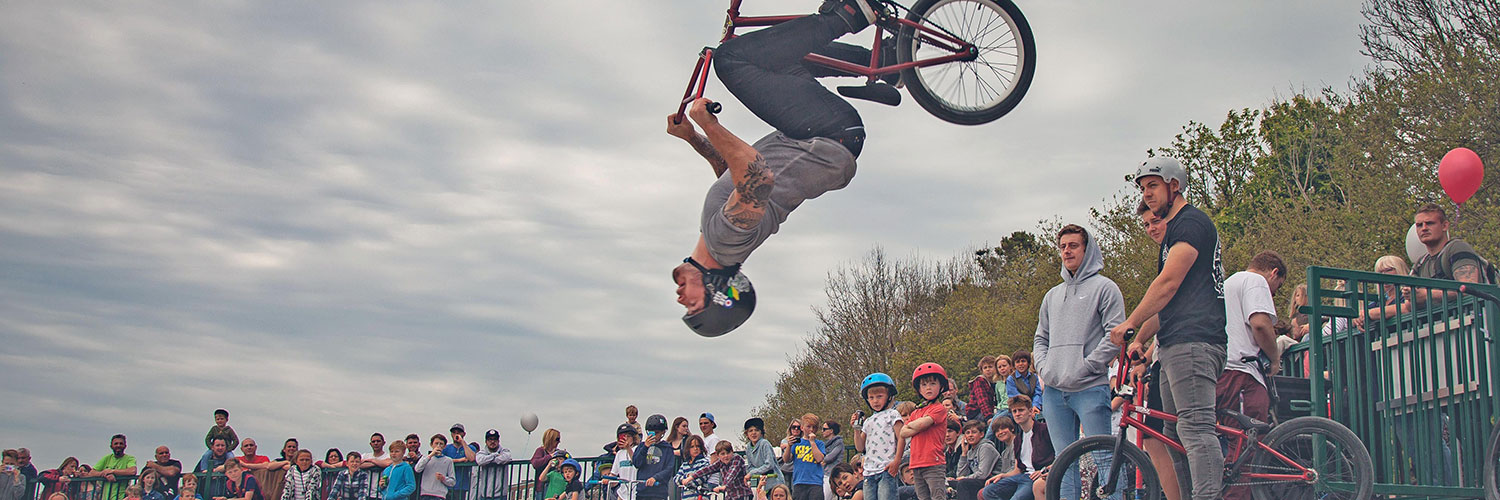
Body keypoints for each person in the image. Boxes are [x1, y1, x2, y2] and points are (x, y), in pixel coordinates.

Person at [666, 0, 891, 337]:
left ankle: (884, 62)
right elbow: (757, 176)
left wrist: (693, 138)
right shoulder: (724, 243)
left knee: (772, 55)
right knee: (732, 60)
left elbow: (732, 174)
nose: (681, 297)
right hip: (826, 135)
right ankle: (852, 15)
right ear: (717, 294)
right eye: (693, 304)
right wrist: (708, 123)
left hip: (825, 134)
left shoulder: (720, 239)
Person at [1109, 156, 1228, 500]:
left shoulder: (1190, 225)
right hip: (1176, 344)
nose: (1147, 194)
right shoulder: (1173, 235)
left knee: (1195, 429)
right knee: (1171, 433)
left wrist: (1130, 322)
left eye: (1153, 187)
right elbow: (1169, 303)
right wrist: (1140, 337)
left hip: (1195, 342)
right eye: (1143, 188)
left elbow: (1168, 283)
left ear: (1174, 186)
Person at [1033, 224, 1124, 500]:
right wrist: (1045, 369)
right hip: (1055, 392)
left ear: (1087, 248)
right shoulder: (1051, 296)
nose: (1067, 251)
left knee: (1105, 458)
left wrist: (1088, 366)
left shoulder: (1105, 288)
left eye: (1073, 245)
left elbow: (1116, 334)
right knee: (1063, 462)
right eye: (1062, 247)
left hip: (1090, 387)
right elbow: (1040, 338)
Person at [1214, 250, 1286, 500]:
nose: (1274, 293)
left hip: (1221, 369)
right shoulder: (1255, 281)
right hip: (1242, 371)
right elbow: (1260, 323)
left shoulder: (1225, 283)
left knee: (1230, 441)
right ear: (1274, 273)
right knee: (1247, 443)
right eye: (1277, 287)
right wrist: (1274, 357)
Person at [1130, 200, 1181, 500]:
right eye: (1146, 224)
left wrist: (1133, 328)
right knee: (1153, 437)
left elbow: (1166, 305)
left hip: (1186, 353)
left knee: (1176, 434)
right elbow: (1164, 315)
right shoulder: (1165, 255)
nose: (1151, 228)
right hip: (1164, 356)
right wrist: (1144, 354)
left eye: (1156, 221)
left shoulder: (1180, 251)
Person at [978, 397, 1051, 500]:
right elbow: (1017, 469)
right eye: (1014, 411)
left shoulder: (1044, 430)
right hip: (1022, 476)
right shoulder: (1018, 439)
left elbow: (1060, 454)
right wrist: (1003, 475)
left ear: (1030, 411)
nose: (1017, 414)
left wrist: (1045, 470)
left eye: (1021, 410)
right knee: (988, 492)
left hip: (1036, 476)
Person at [1411, 203, 1494, 289]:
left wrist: (1426, 295)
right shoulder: (1421, 263)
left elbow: (1468, 289)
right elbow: (1410, 298)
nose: (1424, 228)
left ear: (1445, 226)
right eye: (1419, 225)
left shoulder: (1457, 247)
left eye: (1430, 223)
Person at [897, 363, 949, 500]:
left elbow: (923, 424)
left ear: (941, 386)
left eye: (932, 383)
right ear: (919, 389)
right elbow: (903, 432)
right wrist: (916, 426)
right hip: (916, 463)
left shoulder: (939, 408)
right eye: (924, 385)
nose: (928, 388)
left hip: (933, 462)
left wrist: (913, 426)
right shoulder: (916, 412)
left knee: (938, 497)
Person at [851, 373, 902, 500]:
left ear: (889, 396)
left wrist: (897, 460)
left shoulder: (893, 414)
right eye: (871, 397)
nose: (875, 401)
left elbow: (901, 437)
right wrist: (856, 430)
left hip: (886, 468)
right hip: (869, 471)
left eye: (879, 396)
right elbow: (859, 447)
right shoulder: (868, 421)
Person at [1352, 255, 1411, 331]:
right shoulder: (1378, 301)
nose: (1383, 274)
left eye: (1388, 270)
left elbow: (1408, 307)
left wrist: (1371, 313)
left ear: (1400, 270)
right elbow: (1360, 315)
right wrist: (1357, 319)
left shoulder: (1407, 294)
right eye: (1380, 272)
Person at [947, 421, 998, 500]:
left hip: (992, 480)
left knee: (963, 483)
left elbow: (983, 474)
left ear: (981, 434)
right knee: (947, 483)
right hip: (978, 480)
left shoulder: (986, 447)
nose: (970, 435)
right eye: (967, 433)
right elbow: (960, 474)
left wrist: (965, 478)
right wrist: (964, 453)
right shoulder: (970, 451)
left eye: (974, 432)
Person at [685, 441, 753, 500]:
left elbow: (732, 473)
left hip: (742, 494)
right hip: (731, 496)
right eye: (722, 454)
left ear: (732, 452)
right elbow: (708, 469)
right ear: (718, 455)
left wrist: (724, 486)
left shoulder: (736, 459)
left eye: (728, 453)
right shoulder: (721, 462)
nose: (726, 456)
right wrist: (691, 477)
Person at [783, 414, 827, 500]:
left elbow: (819, 459)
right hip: (799, 481)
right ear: (802, 428)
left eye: (814, 427)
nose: (811, 430)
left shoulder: (819, 443)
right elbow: (786, 460)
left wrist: (812, 442)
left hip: (815, 482)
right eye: (808, 426)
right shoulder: (797, 443)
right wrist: (789, 446)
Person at [631, 421, 676, 500]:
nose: (654, 435)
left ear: (663, 432)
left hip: (659, 493)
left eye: (657, 432)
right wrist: (645, 447)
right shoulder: (641, 446)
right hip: (642, 492)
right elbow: (636, 463)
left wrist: (656, 478)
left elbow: (669, 469)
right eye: (651, 432)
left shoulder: (667, 448)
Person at [87, 434, 138, 500]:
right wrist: (105, 474)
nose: (118, 445)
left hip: (121, 497)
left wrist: (112, 471)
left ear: (125, 446)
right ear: (111, 446)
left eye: (121, 443)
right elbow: (91, 473)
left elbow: (132, 471)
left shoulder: (130, 458)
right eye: (116, 443)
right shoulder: (107, 458)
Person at [743, 418, 785, 492]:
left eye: (756, 430)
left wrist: (752, 473)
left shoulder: (764, 443)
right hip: (762, 484)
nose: (753, 433)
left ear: (761, 432)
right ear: (747, 434)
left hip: (774, 483)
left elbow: (769, 464)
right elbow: (750, 467)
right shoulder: (748, 447)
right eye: (750, 431)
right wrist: (752, 473)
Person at [602, 425, 640, 500]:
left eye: (628, 436)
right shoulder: (619, 454)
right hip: (622, 494)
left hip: (636, 492)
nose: (625, 439)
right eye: (622, 437)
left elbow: (637, 463)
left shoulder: (638, 449)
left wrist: (628, 448)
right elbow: (614, 473)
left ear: (633, 438)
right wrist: (608, 479)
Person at [474, 429, 512, 500]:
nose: (492, 441)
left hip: (501, 495)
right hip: (485, 495)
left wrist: (488, 459)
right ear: (486, 442)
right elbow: (480, 461)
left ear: (498, 441)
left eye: (495, 439)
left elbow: (507, 458)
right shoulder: (481, 452)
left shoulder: (505, 451)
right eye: (490, 439)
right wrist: (495, 455)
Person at [415, 435, 456, 500]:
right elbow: (417, 469)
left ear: (444, 446)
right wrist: (431, 455)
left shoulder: (448, 460)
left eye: (441, 444)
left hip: (440, 495)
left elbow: (452, 482)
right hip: (425, 494)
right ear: (431, 444)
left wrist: (443, 478)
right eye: (436, 443)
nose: (438, 446)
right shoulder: (425, 458)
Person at [443, 424, 479, 495]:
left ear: (464, 434)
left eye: (459, 432)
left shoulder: (470, 448)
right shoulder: (446, 448)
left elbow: (472, 458)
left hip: (461, 486)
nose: (456, 434)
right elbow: (442, 461)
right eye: (454, 432)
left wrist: (462, 442)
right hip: (446, 486)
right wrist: (459, 460)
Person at [530, 429, 562, 500]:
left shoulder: (558, 452)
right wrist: (550, 456)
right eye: (557, 439)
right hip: (542, 487)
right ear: (551, 438)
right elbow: (535, 463)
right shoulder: (540, 451)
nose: (559, 441)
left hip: (555, 487)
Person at [967, 358, 998, 425]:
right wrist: (989, 417)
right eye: (985, 368)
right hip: (976, 413)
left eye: (990, 367)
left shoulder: (997, 382)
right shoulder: (980, 381)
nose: (988, 369)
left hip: (990, 410)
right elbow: (982, 400)